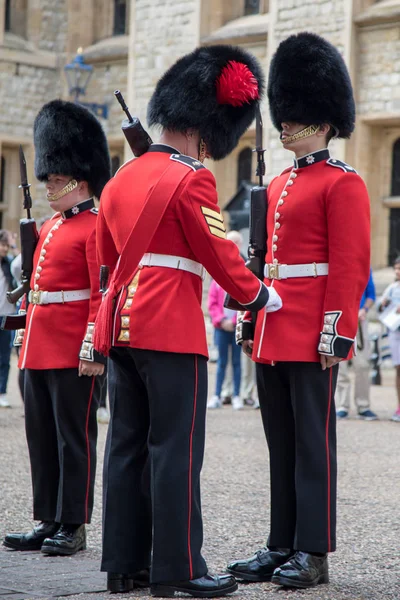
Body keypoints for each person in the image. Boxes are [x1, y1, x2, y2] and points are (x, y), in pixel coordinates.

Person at [94, 45, 282, 595]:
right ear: (205, 130)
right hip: (171, 326)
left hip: (122, 326)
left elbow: (106, 261)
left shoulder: (120, 177)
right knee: (176, 449)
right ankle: (180, 569)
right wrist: (259, 295)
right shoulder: (191, 177)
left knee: (125, 445)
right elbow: (218, 253)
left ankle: (124, 567)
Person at [227, 32, 370, 589]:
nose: (284, 126)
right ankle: (279, 541)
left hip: (312, 328)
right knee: (279, 443)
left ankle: (314, 551)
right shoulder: (279, 182)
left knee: (312, 445)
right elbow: (262, 263)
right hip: (272, 328)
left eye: (295, 118)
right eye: (283, 117)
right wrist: (248, 315)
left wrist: (337, 330)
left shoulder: (344, 183)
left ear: (325, 121)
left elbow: (350, 264)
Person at [3, 100, 110, 556]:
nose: (48, 185)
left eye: (55, 178)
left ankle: (74, 523)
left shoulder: (94, 227)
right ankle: (48, 518)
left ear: (79, 179)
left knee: (74, 436)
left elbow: (98, 293)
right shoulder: (46, 227)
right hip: (38, 345)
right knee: (41, 436)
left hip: (71, 347)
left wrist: (92, 343)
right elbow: (36, 288)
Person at [336, 269, 378, 420]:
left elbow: (371, 295)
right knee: (341, 365)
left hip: (360, 321)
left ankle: (363, 405)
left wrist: (364, 309)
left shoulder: (365, 268)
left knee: (363, 365)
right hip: (341, 318)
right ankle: (342, 405)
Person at [207, 277, 242, 410]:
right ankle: (216, 395)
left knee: (236, 362)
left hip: (235, 327)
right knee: (222, 362)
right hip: (221, 328)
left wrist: (233, 322)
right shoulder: (216, 283)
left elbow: (242, 304)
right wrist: (221, 320)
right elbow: (212, 303)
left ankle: (236, 395)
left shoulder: (237, 282)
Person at [379, 257, 400, 422]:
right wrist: (384, 303)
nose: (397, 271)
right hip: (395, 332)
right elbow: (381, 306)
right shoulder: (392, 288)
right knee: (398, 370)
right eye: (396, 268)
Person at [0, 230, 16, 408]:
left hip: (6, 316)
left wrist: (14, 246)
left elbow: (22, 266)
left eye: (6, 245)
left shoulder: (10, 265)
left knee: (4, 357)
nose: (4, 248)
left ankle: (2, 392)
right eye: (2, 244)